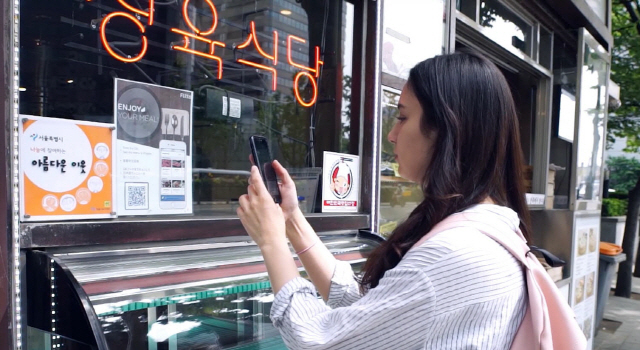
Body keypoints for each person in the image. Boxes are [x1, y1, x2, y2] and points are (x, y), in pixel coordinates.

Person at [237, 51, 532, 349]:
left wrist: (271, 241)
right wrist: (291, 220)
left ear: (447, 129)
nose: (391, 134)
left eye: (403, 117)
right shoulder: (492, 227)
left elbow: (319, 341)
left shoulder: (453, 253)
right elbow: (371, 307)